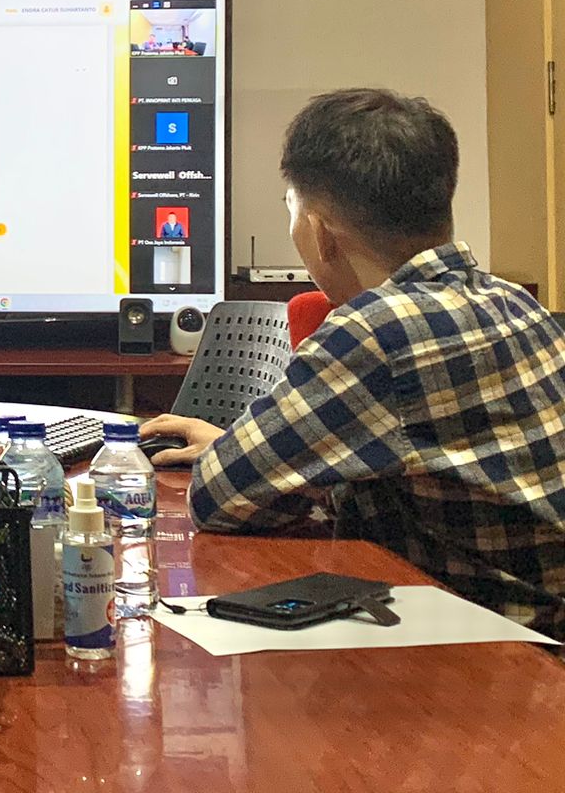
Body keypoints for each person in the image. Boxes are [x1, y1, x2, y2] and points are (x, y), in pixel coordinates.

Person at [143, 88, 565, 638]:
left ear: (320, 233)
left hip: (513, 651)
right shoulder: (512, 301)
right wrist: (240, 446)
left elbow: (218, 497)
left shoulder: (377, 331)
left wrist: (237, 457)